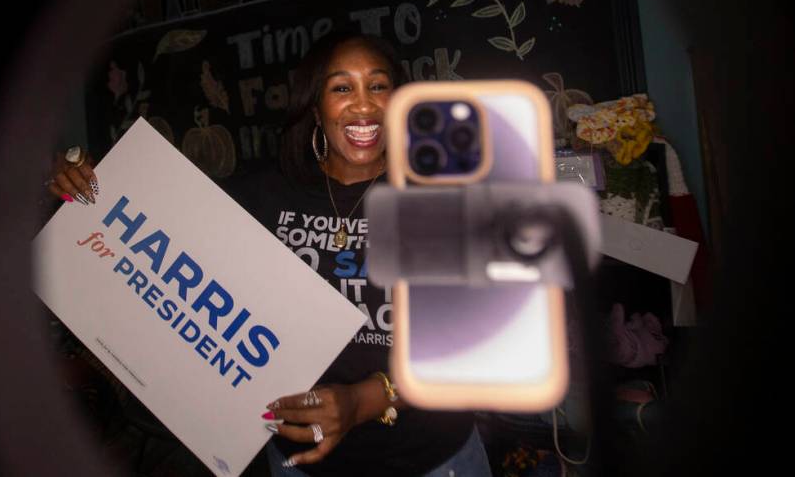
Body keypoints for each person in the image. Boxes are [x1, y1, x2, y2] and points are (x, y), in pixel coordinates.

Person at [46, 30, 493, 476]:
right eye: (342, 88)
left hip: (433, 460)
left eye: (378, 86)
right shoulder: (263, 198)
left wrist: (362, 401)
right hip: (299, 466)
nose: (363, 105)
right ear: (315, 108)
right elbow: (151, 233)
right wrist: (82, 175)